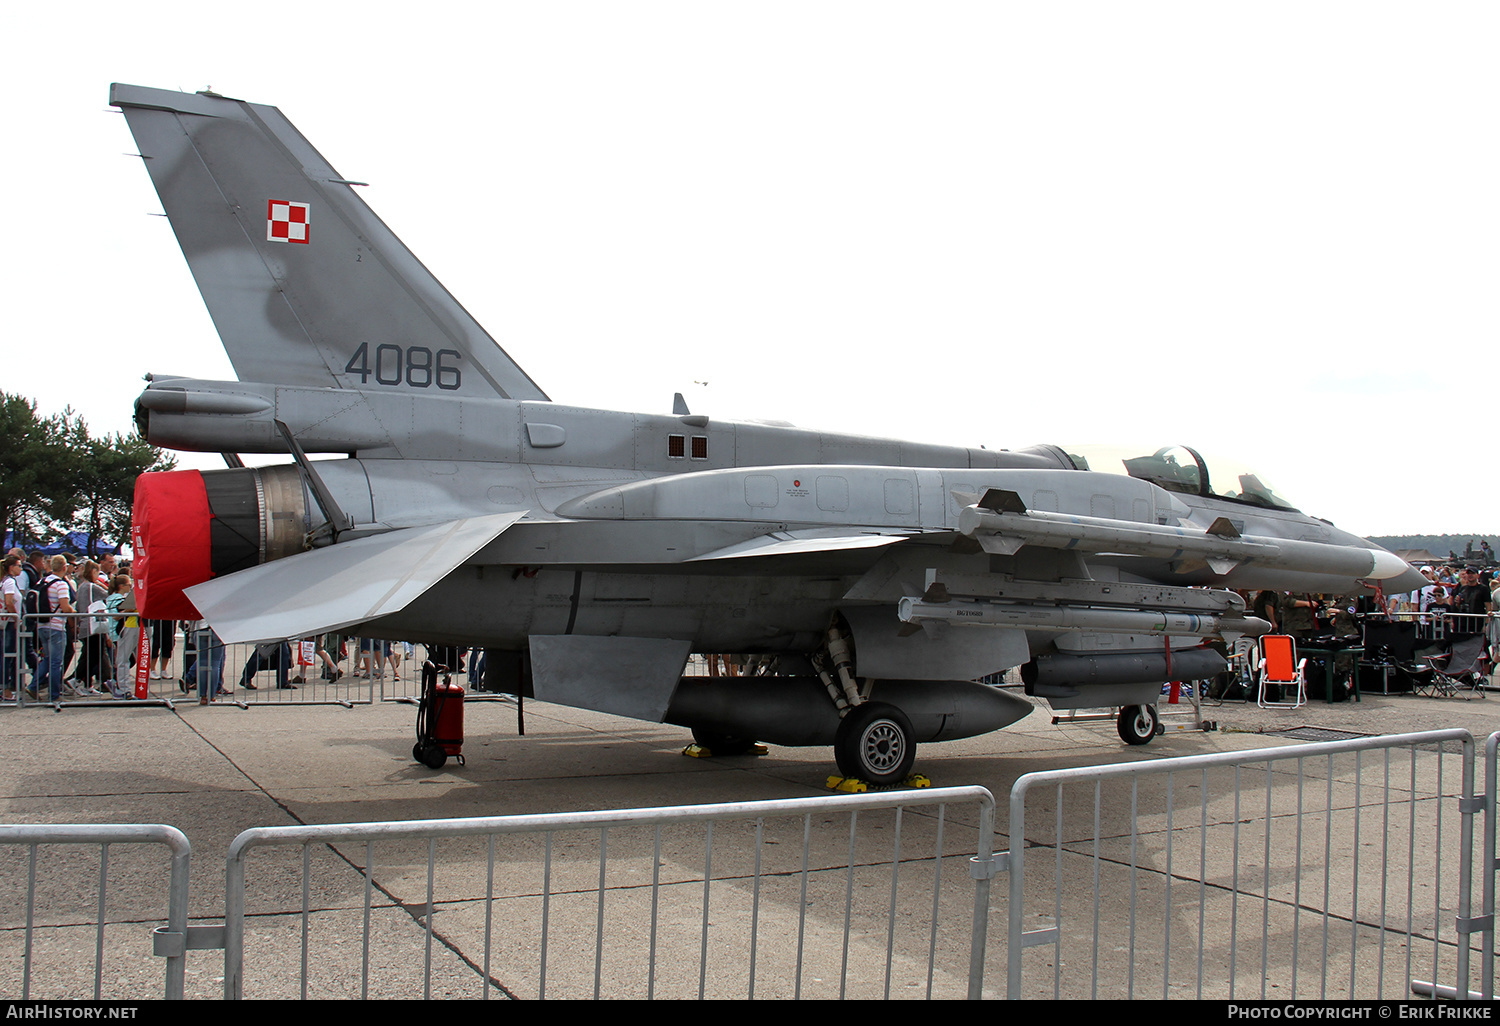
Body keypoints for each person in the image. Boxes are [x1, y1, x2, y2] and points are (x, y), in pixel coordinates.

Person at [34, 555, 75, 702]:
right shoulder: (61, 584)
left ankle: (33, 686)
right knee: (56, 662)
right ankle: (54, 694)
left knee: (48, 658)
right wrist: (73, 611)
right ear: (64, 567)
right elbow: (65, 606)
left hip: (42, 624)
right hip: (56, 626)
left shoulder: (42, 581)